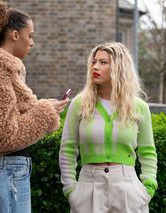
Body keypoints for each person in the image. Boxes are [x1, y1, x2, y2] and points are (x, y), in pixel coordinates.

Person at [0, 1, 68, 212]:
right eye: (30, 35)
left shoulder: (1, 71)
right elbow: (4, 136)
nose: (32, 42)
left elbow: (10, 119)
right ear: (14, 35)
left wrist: (44, 106)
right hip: (6, 173)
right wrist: (44, 112)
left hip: (9, 173)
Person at [59, 42, 158, 213]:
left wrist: (147, 189)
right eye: (94, 61)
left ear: (119, 67)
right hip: (87, 188)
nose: (95, 66)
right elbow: (67, 149)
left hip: (128, 188)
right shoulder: (80, 104)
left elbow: (148, 151)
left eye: (103, 62)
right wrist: (71, 190)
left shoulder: (138, 107)